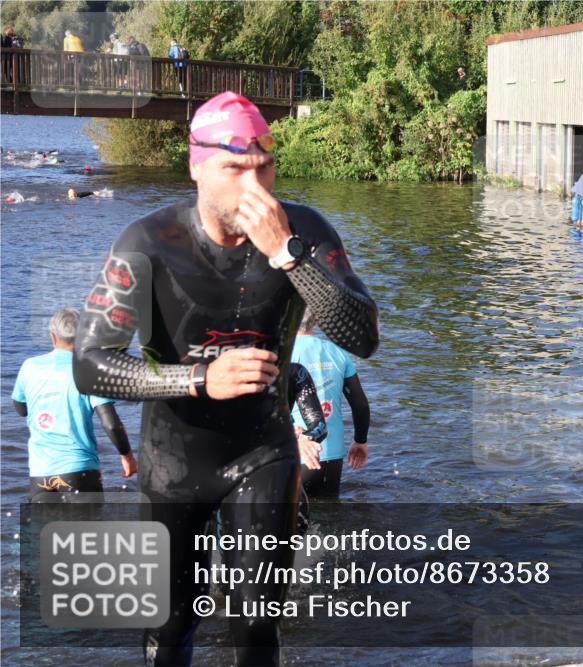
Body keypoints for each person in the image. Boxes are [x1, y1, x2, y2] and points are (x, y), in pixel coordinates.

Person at [73, 90, 378, 667]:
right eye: (235, 168)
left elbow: (363, 336)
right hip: (172, 461)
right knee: (168, 626)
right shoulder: (148, 243)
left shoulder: (302, 230)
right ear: (196, 168)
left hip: (262, 451)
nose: (254, 186)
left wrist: (288, 256)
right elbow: (90, 364)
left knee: (257, 625)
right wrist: (196, 379)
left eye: (264, 167)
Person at [12, 308, 136, 503]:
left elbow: (21, 409)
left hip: (40, 474)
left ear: (53, 337)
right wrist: (127, 456)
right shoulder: (89, 371)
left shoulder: (29, 367)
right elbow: (111, 423)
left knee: (44, 531)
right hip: (79, 471)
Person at [293, 308, 370, 499]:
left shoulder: (283, 352)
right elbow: (360, 404)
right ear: (317, 322)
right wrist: (360, 441)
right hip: (333, 454)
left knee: (291, 521)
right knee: (330, 516)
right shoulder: (338, 352)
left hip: (299, 449)